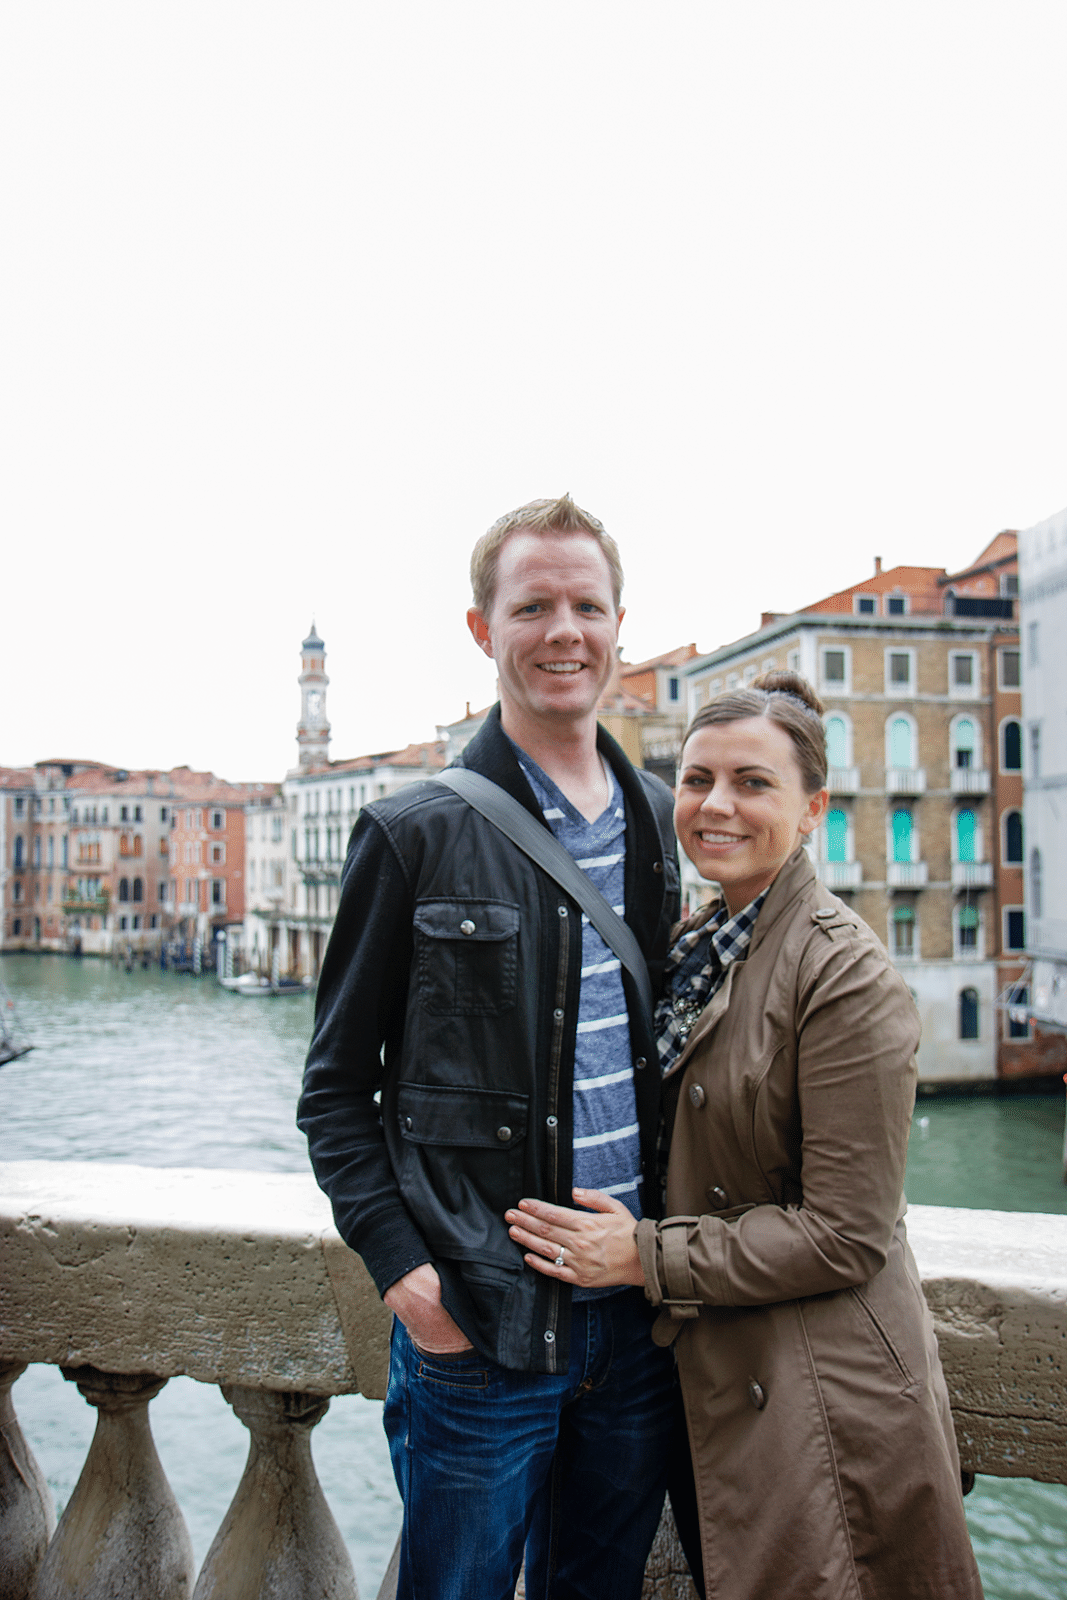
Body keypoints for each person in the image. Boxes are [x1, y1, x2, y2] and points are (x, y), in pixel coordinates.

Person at [506, 671, 985, 1600]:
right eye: (696, 780)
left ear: (812, 811)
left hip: (816, 1398)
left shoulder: (845, 975)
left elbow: (845, 1232)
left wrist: (641, 1256)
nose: (715, 806)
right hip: (715, 1373)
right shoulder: (697, 940)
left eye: (752, 784)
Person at [297, 494, 681, 1600]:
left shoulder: (659, 819)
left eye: (585, 606)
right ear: (483, 629)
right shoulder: (411, 831)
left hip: (634, 1326)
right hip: (484, 1329)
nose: (564, 630)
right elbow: (332, 1092)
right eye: (533, 606)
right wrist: (409, 1279)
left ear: (618, 625)